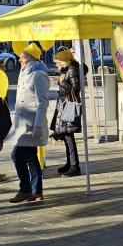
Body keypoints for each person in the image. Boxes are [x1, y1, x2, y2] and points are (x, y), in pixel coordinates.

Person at [7, 43, 50, 203]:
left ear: (31, 58)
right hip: (22, 125)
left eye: (23, 57)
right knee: (29, 156)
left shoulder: (38, 75)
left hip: (32, 124)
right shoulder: (24, 73)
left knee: (18, 154)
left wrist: (38, 125)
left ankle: (27, 190)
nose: (20, 59)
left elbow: (43, 103)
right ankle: (35, 191)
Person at [49, 49, 87, 177]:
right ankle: (70, 163)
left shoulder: (72, 70)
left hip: (68, 106)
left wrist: (62, 82)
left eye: (57, 62)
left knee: (68, 136)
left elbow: (76, 88)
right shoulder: (68, 69)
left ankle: (74, 166)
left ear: (64, 61)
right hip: (64, 106)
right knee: (66, 136)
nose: (56, 65)